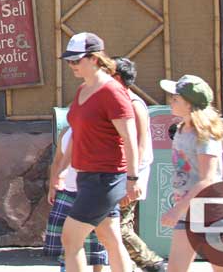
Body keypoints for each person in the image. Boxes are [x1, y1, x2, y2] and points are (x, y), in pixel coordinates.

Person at [53, 33, 141, 272]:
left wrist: (133, 179)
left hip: (105, 178)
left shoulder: (113, 91)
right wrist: (60, 170)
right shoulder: (83, 89)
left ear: (94, 59)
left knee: (70, 240)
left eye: (76, 60)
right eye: (68, 61)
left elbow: (130, 138)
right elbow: (77, 134)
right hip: (87, 176)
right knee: (111, 239)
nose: (71, 65)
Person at [159, 75, 223, 272]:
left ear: (189, 105)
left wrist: (177, 208)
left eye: (176, 98)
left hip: (210, 210)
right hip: (188, 211)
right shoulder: (181, 129)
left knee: (221, 267)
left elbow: (208, 180)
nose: (171, 101)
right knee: (176, 269)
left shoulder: (205, 135)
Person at [112, 58, 166, 272]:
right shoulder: (118, 102)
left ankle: (153, 264)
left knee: (120, 226)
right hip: (119, 174)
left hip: (129, 175)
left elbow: (141, 145)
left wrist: (130, 179)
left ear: (116, 78)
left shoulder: (133, 104)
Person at [46, 128, 108, 272]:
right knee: (65, 237)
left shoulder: (97, 131)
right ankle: (65, 268)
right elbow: (57, 161)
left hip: (92, 190)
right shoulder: (66, 133)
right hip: (68, 190)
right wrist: (52, 185)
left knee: (97, 239)